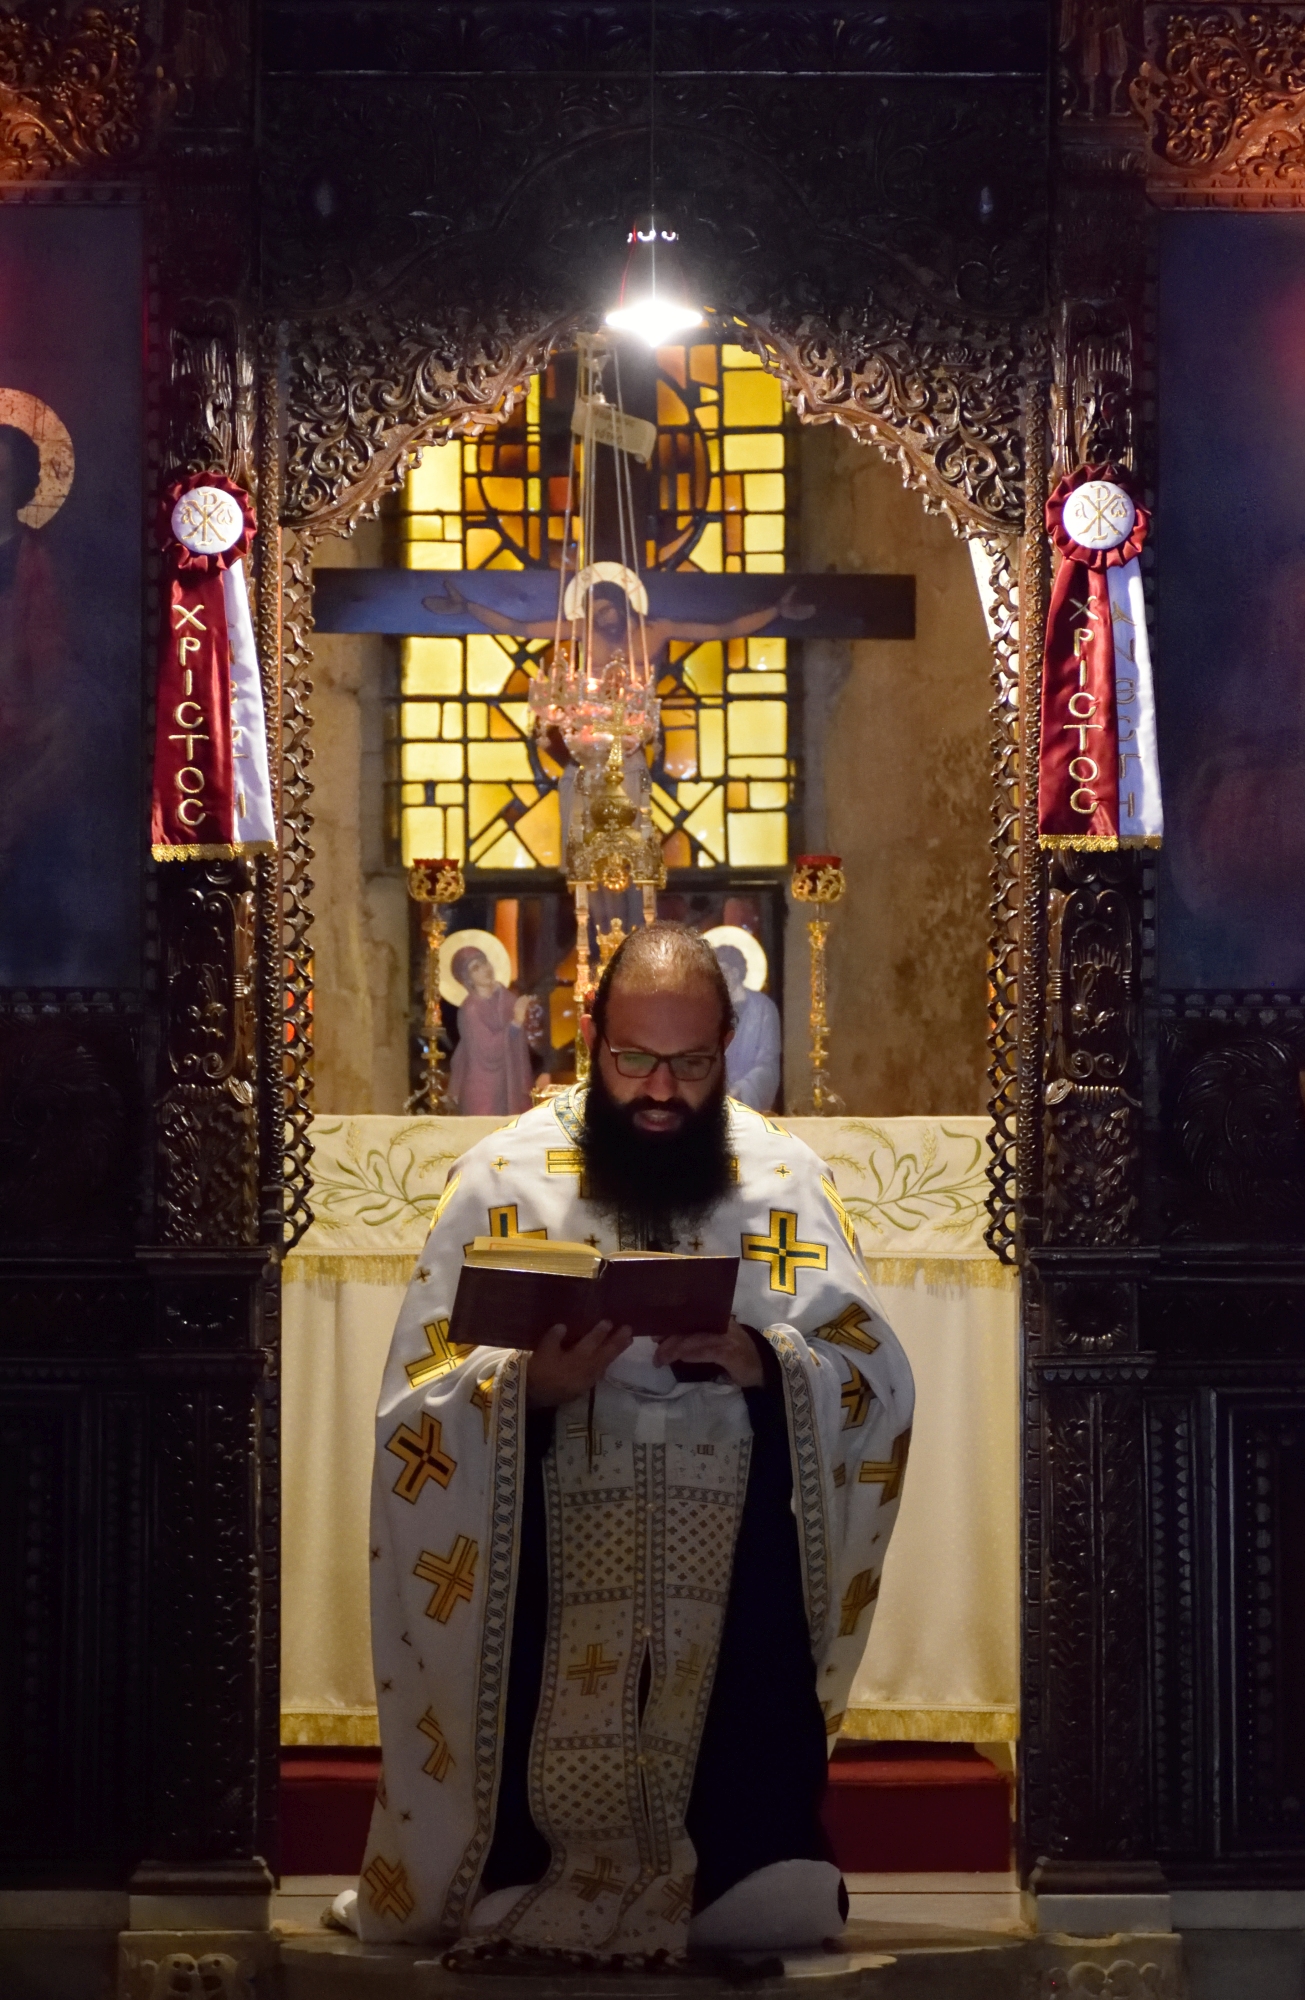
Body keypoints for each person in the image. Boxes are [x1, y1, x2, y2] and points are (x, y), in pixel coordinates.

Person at [354, 924, 913, 1959]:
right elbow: (416, 1402)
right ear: (589, 1033)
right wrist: (524, 1389)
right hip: (546, 1534)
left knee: (768, 1884)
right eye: (633, 1059)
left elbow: (872, 1372)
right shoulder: (501, 1174)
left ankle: (737, 1860)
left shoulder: (784, 1176)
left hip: (732, 1534)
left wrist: (770, 1363)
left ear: (729, 1041)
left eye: (691, 1062)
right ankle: (524, 1863)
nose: (661, 1090)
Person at [446, 944, 534, 1115]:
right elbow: (488, 1050)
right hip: (483, 1088)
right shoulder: (470, 1009)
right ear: (468, 978)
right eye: (475, 968)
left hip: (509, 1081)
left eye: (484, 963)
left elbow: (524, 1040)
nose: (485, 969)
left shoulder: (506, 999)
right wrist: (516, 1022)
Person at [714, 942, 782, 1112]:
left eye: (723, 971)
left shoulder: (762, 1009)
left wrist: (741, 1089)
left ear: (736, 972)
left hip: (747, 1101)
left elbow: (768, 1063)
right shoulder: (709, 1009)